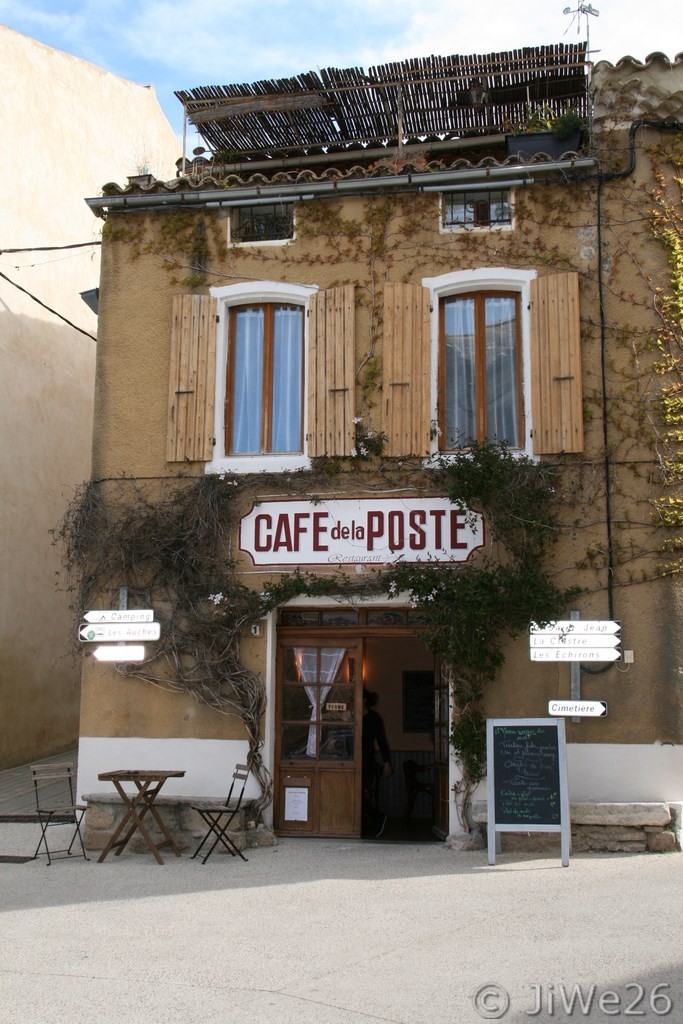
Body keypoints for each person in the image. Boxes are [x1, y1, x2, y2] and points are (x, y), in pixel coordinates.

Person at [362, 690, 393, 837]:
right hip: (349, 760)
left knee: (358, 794)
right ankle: (371, 820)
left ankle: (377, 818)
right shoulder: (350, 716)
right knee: (353, 793)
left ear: (364, 700)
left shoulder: (373, 718)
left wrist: (387, 762)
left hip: (366, 761)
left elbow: (381, 740)